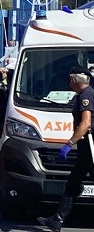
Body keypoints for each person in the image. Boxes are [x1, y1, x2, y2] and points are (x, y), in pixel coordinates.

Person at [37, 66, 94, 231]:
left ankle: (57, 218)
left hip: (91, 146)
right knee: (73, 183)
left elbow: (86, 123)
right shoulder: (83, 94)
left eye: (70, 79)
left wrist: (69, 144)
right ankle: (57, 219)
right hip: (85, 147)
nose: (69, 83)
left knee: (74, 182)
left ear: (74, 80)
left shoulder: (86, 95)